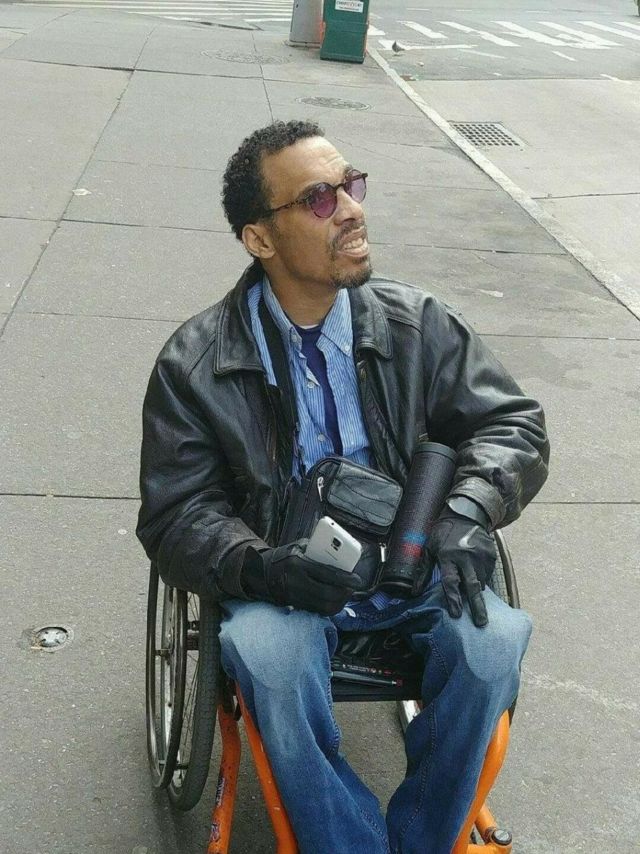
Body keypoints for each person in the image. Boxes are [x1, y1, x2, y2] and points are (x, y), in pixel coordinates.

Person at [137, 120, 550, 854]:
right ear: (260, 239)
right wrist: (262, 567)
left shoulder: (419, 324)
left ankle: (423, 838)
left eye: (351, 186)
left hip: (415, 558)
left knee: (495, 645)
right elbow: (178, 513)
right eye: (320, 200)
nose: (353, 210)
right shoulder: (195, 364)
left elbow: (512, 423)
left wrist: (469, 506)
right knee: (266, 653)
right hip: (284, 575)